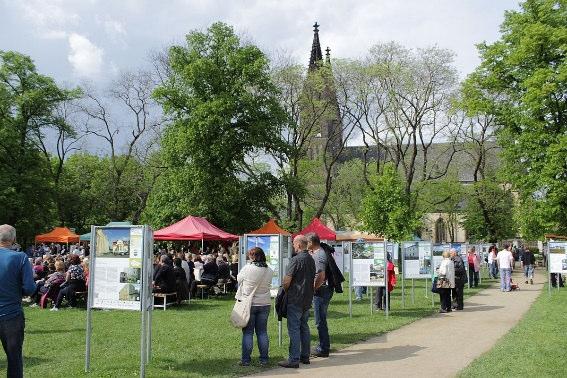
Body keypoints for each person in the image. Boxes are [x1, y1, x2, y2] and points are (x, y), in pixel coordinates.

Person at [0, 225, 35, 378]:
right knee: (14, 359)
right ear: (13, 239)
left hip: (11, 313)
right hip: (11, 315)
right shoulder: (20, 257)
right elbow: (29, 288)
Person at [278, 235, 316, 369]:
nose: (293, 246)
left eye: (294, 244)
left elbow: (287, 280)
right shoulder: (311, 259)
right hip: (307, 298)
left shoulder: (296, 260)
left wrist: (285, 290)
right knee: (304, 327)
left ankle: (293, 359)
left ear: (299, 245)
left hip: (295, 298)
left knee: (294, 329)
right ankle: (305, 356)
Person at [236, 247, 273, 367]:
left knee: (248, 333)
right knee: (262, 332)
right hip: (265, 303)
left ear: (252, 257)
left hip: (250, 303)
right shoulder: (270, 270)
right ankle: (264, 359)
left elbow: (238, 278)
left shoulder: (248, 268)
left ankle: (246, 360)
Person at [306, 233, 332, 358]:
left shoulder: (319, 255)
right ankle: (324, 346)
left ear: (311, 242)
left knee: (320, 320)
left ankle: (323, 348)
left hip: (321, 291)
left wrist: (313, 289)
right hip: (323, 290)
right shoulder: (319, 252)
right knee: (320, 319)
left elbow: (320, 275)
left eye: (307, 242)